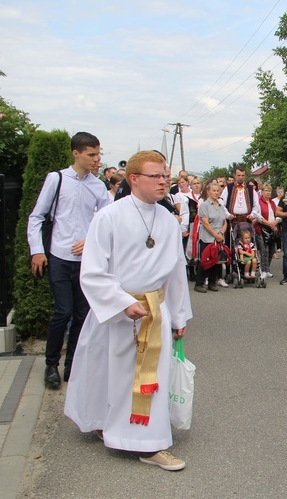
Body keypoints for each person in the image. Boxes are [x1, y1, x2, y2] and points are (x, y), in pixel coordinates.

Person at [64, 149, 192, 471]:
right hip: (118, 312)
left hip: (154, 313)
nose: (164, 181)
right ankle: (105, 423)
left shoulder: (168, 220)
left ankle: (150, 444)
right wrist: (123, 303)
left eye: (165, 175)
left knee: (150, 379)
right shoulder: (108, 216)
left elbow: (176, 273)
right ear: (134, 179)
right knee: (109, 373)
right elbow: (92, 271)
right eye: (156, 176)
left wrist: (179, 316)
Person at [27, 131, 110, 389]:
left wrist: (91, 239)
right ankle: (51, 364)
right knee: (63, 311)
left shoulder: (99, 186)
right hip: (59, 256)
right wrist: (37, 250)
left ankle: (72, 365)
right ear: (76, 153)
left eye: (98, 154)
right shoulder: (57, 179)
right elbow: (36, 217)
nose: (97, 160)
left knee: (82, 313)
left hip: (86, 260)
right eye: (92, 155)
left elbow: (106, 222)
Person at [194, 181, 227, 293]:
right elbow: (205, 223)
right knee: (205, 261)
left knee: (215, 261)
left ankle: (212, 283)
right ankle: (199, 283)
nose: (216, 193)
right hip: (208, 238)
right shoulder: (204, 205)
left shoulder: (221, 206)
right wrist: (215, 235)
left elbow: (225, 222)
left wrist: (221, 234)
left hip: (219, 238)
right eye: (214, 191)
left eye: (218, 191)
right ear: (208, 192)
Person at [225, 168, 260, 243]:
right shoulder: (228, 188)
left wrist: (252, 214)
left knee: (247, 243)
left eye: (242, 175)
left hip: (246, 221)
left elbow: (256, 205)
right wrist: (227, 214)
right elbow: (222, 204)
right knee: (233, 243)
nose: (241, 177)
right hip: (233, 220)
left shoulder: (250, 189)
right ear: (235, 175)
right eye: (239, 175)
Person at [254, 183, 280, 278]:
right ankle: (263, 270)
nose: (268, 192)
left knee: (271, 250)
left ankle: (267, 269)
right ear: (262, 191)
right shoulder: (259, 202)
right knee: (264, 250)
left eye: (269, 191)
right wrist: (269, 224)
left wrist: (275, 222)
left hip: (271, 229)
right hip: (261, 228)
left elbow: (277, 214)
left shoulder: (272, 202)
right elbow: (258, 216)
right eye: (266, 190)